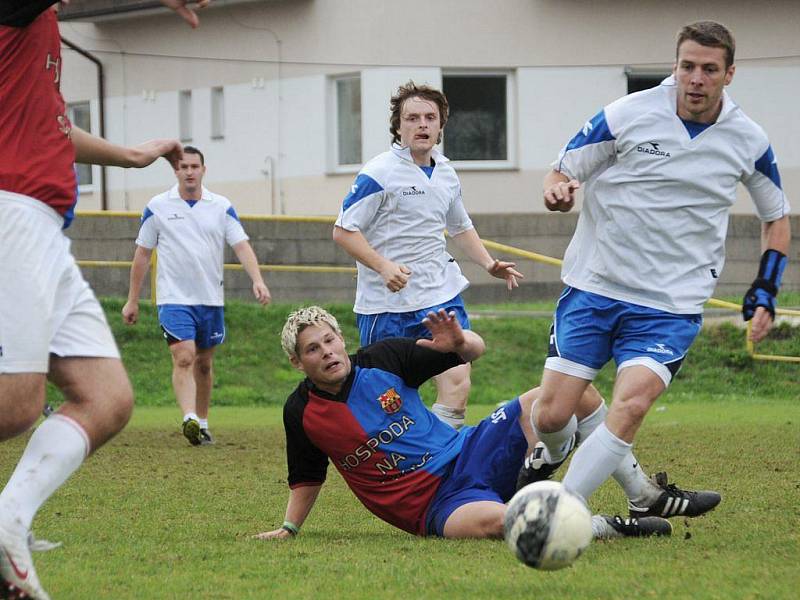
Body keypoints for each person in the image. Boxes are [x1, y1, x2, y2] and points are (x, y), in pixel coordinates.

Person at [526, 21, 790, 513]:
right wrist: (556, 192)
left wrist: (765, 289)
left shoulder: (748, 139)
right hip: (596, 286)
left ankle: (559, 512)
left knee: (632, 405)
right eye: (687, 66)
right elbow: (561, 171)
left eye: (709, 69)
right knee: (551, 413)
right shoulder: (627, 114)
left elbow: (776, 218)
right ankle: (556, 453)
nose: (696, 79)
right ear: (675, 66)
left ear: (728, 74)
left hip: (670, 303)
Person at [0, 1, 211, 599]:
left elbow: (51, 129)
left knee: (108, 398)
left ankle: (7, 522)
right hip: (11, 211)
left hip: (41, 225)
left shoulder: (33, 36)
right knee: (15, 405)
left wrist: (131, 156)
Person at [254, 306, 672, 542]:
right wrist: (289, 528)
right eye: (312, 349)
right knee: (506, 523)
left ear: (341, 338)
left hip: (471, 449)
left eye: (330, 340)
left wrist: (458, 343)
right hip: (434, 507)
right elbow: (307, 477)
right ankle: (608, 526)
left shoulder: (383, 358)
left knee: (573, 394)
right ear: (297, 362)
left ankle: (630, 487)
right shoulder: (301, 412)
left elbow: (475, 349)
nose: (327, 352)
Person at [333, 82, 523, 430]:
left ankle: (440, 457)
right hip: (386, 304)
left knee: (457, 379)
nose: (422, 124)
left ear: (440, 126)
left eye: (430, 118)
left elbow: (460, 226)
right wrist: (383, 266)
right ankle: (398, 462)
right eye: (412, 118)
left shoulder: (447, 173)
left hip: (439, 293)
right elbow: (343, 230)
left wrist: (488, 263)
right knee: (387, 397)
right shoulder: (379, 172)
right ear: (398, 126)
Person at [122, 146, 271, 446]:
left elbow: (241, 245)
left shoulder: (221, 206)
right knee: (184, 357)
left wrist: (257, 280)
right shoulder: (158, 206)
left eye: (194, 166)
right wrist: (132, 299)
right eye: (183, 167)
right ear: (175, 171)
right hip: (174, 299)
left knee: (204, 363)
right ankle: (188, 416)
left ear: (203, 170)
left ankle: (202, 422)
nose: (189, 172)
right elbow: (142, 254)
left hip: (211, 300)